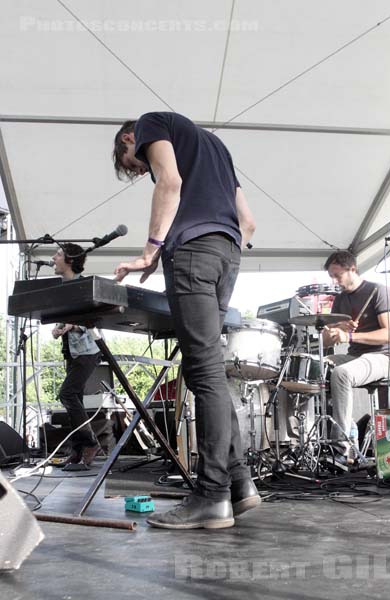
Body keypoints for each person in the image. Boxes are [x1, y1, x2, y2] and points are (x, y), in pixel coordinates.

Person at [112, 112, 258, 529]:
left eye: (134, 162)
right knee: (204, 371)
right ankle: (239, 484)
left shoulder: (150, 122)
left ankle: (211, 497)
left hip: (193, 252)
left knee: (205, 373)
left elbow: (170, 183)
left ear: (128, 138)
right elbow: (247, 222)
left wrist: (151, 250)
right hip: (227, 252)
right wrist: (218, 244)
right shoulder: (215, 146)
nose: (141, 168)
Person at [323, 250, 390, 461]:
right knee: (314, 368)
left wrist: (350, 336)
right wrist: (336, 329)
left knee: (341, 373)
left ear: (352, 269)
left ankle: (341, 448)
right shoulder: (339, 299)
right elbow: (325, 341)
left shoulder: (378, 291)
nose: (334, 280)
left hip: (385, 357)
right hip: (355, 356)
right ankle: (299, 441)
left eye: (337, 275)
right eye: (331, 276)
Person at [51, 243, 101, 470]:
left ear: (70, 261)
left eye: (58, 254)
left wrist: (72, 325)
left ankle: (91, 442)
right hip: (72, 352)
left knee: (67, 394)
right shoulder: (62, 287)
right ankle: (78, 449)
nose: (53, 258)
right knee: (75, 400)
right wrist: (59, 327)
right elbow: (67, 318)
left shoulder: (84, 285)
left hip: (88, 351)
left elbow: (94, 316)